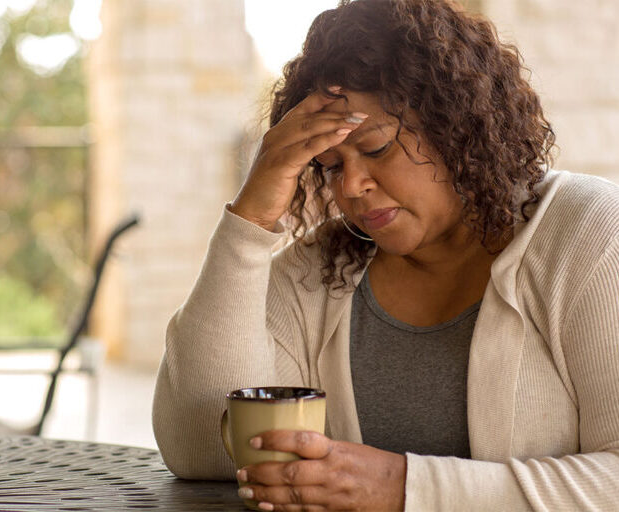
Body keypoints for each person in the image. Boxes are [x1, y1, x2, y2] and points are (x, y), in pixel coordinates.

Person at [152, 0, 619, 510]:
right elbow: (205, 451)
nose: (351, 186)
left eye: (375, 149)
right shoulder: (318, 270)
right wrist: (250, 223)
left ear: (455, 127)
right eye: (329, 165)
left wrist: (402, 488)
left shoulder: (588, 236)